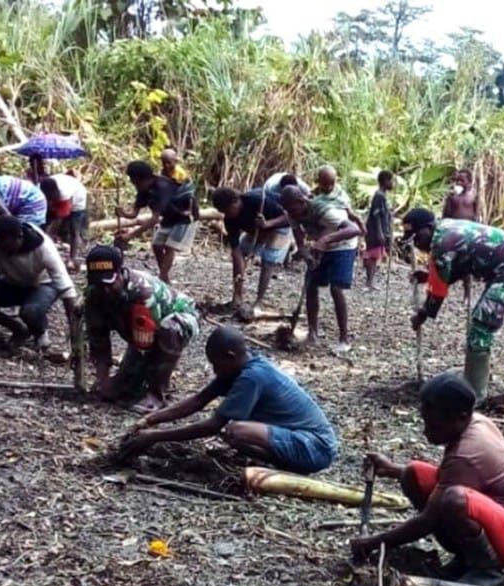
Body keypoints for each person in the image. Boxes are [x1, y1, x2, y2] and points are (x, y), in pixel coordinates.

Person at [350, 373, 504, 586]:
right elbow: (451, 481)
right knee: (413, 473)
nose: (426, 432)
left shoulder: (466, 454)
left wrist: (374, 543)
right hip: (498, 518)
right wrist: (393, 470)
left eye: (434, 426)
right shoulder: (476, 421)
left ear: (461, 417)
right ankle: (466, 559)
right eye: (425, 423)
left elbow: (428, 521)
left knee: (454, 500)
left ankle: (487, 570)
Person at [114, 325, 338, 474]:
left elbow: (213, 425)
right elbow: (198, 400)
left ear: (230, 357)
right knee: (236, 435)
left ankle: (283, 468)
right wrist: (149, 421)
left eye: (215, 363)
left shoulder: (252, 377)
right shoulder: (236, 369)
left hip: (315, 447)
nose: (214, 369)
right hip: (301, 441)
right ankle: (276, 463)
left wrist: (155, 437)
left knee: (236, 431)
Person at [401, 208, 504, 404]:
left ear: (429, 228)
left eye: (417, 236)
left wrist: (422, 314)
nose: (416, 243)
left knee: (481, 324)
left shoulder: (442, 242)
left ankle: (476, 393)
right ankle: (474, 376)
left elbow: (437, 294)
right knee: (480, 323)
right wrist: (428, 276)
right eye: (411, 238)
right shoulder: (445, 230)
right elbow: (458, 267)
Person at [83, 244, 198, 412]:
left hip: (180, 318)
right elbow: (98, 339)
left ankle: (157, 394)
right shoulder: (94, 294)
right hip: (137, 334)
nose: (105, 290)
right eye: (100, 285)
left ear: (120, 273)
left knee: (169, 329)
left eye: (110, 283)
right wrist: (104, 380)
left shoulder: (143, 292)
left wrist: (140, 376)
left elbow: (147, 344)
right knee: (117, 391)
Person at [0, 216, 80, 357]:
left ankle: (39, 331)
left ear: (20, 237)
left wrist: (77, 341)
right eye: (1, 248)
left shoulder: (44, 248)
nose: (6, 253)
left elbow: (66, 289)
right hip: (10, 283)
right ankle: (18, 328)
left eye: (9, 248)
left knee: (30, 312)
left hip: (42, 285)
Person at [280, 186, 361, 353]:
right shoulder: (292, 213)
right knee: (310, 286)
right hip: (321, 246)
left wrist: (326, 240)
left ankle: (344, 339)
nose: (292, 214)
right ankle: (312, 334)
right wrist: (306, 255)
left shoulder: (326, 212)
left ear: (302, 202)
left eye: (294, 209)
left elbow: (354, 229)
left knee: (336, 288)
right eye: (289, 211)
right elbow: (300, 240)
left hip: (344, 245)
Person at [210, 186, 293, 308]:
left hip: (279, 225)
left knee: (268, 261)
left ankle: (259, 302)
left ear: (236, 202)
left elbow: (289, 217)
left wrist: (267, 224)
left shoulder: (258, 201)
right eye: (223, 212)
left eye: (228, 210)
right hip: (256, 229)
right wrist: (240, 272)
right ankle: (237, 297)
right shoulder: (229, 219)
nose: (226, 214)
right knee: (241, 253)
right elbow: (236, 251)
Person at [116, 161, 197, 284]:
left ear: (140, 179)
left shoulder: (162, 187)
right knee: (157, 245)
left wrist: (130, 235)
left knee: (170, 246)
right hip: (169, 217)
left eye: (133, 180)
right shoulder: (142, 189)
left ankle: (162, 277)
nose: (132, 183)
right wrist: (123, 213)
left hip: (184, 217)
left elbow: (154, 219)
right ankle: (164, 277)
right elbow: (134, 214)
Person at [442, 168, 481, 302]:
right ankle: (442, 292)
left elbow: (476, 215)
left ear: (469, 183)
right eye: (457, 180)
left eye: (462, 180)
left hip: (467, 234)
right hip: (453, 233)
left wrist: (477, 232)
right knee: (447, 262)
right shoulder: (452, 197)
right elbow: (446, 215)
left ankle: (467, 294)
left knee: (467, 265)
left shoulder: (473, 197)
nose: (459, 183)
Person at [38, 173, 88, 270]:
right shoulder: (41, 188)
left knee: (74, 230)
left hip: (78, 199)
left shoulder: (63, 193)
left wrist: (48, 235)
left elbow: (59, 218)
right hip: (60, 196)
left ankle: (72, 259)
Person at [363, 170, 394, 290]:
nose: (392, 184)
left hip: (379, 230)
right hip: (374, 231)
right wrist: (380, 232)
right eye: (391, 181)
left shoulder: (383, 196)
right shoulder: (379, 196)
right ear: (385, 181)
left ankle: (371, 281)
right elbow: (376, 216)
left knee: (375, 255)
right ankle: (369, 282)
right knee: (372, 254)